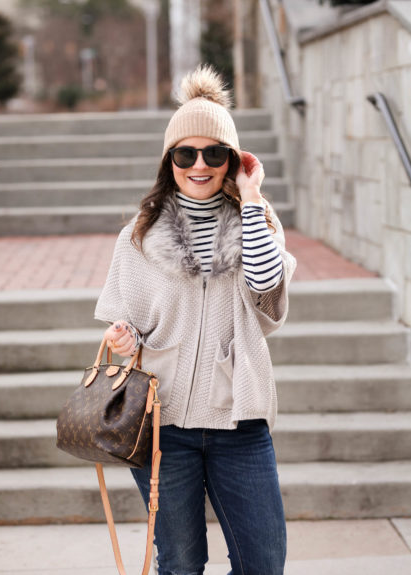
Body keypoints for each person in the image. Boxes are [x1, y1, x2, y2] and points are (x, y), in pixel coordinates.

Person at [94, 64, 297, 575]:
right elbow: (130, 319)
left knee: (264, 563)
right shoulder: (138, 237)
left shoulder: (258, 222)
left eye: (214, 153)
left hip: (240, 421)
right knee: (180, 564)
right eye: (187, 153)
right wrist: (124, 337)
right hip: (164, 423)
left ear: (231, 159)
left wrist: (251, 199)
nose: (200, 164)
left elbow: (270, 296)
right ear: (170, 161)